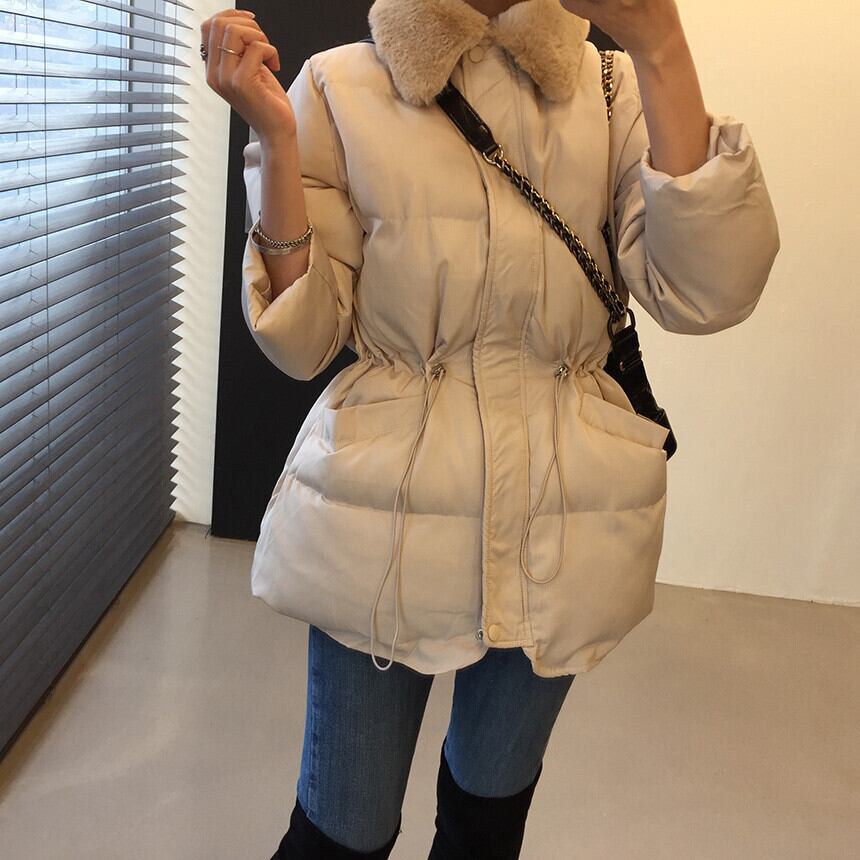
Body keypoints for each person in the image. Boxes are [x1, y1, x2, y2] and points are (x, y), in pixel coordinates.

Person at [201, 0, 780, 856]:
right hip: (384, 521)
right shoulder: (337, 86)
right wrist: (277, 143)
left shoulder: (611, 88)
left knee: (486, 824)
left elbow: (708, 292)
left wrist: (662, 47)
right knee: (340, 834)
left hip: (565, 522)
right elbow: (305, 339)